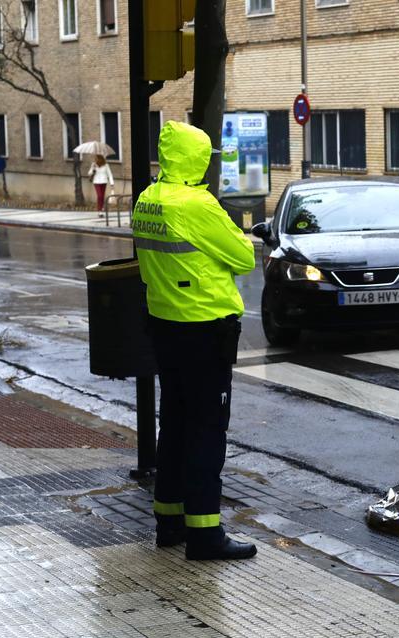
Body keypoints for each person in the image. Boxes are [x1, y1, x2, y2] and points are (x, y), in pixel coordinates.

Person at [132, 121, 257, 561]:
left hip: (165, 325)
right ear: (196, 158)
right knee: (207, 432)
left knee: (176, 427)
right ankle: (205, 533)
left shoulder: (149, 199)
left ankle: (169, 522)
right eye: (205, 156)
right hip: (205, 329)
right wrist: (238, 239)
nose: (209, 164)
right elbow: (242, 257)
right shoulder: (198, 205)